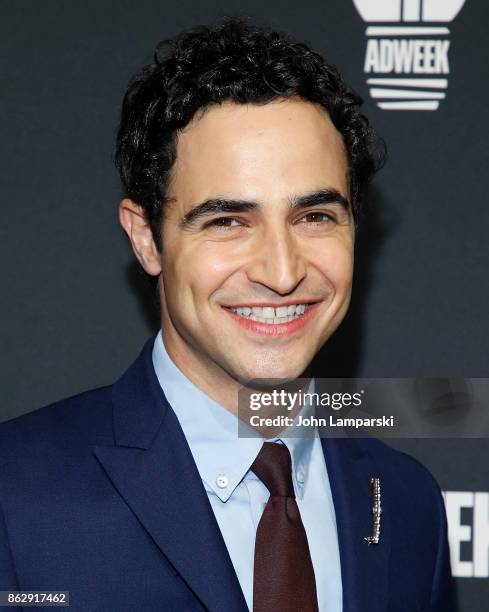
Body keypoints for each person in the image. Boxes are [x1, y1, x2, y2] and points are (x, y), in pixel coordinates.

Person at [0, 17, 455, 612]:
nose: (282, 270)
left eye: (314, 216)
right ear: (146, 239)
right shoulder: (15, 492)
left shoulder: (406, 502)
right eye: (228, 222)